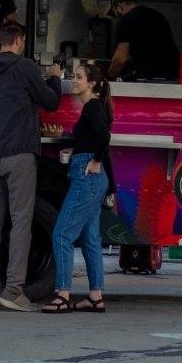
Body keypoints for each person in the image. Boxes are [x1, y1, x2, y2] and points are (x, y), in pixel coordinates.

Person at [0, 21, 62, 311]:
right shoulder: (24, 67)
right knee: (21, 221)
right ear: (18, 40)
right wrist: (55, 77)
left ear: (1, 40)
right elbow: (51, 101)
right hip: (19, 153)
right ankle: (13, 290)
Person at [43, 63, 113, 314]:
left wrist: (92, 160)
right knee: (91, 239)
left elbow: (104, 138)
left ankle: (62, 294)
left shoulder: (92, 107)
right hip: (93, 177)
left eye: (79, 77)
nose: (74, 80)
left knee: (62, 234)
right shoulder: (95, 107)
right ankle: (95, 295)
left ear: (92, 83)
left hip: (87, 177)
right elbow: (97, 138)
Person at [107, 0, 179, 81]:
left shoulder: (125, 21)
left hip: (149, 76)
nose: (117, 16)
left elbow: (120, 60)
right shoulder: (157, 15)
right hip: (173, 73)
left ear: (120, 6)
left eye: (116, 13)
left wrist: (109, 76)